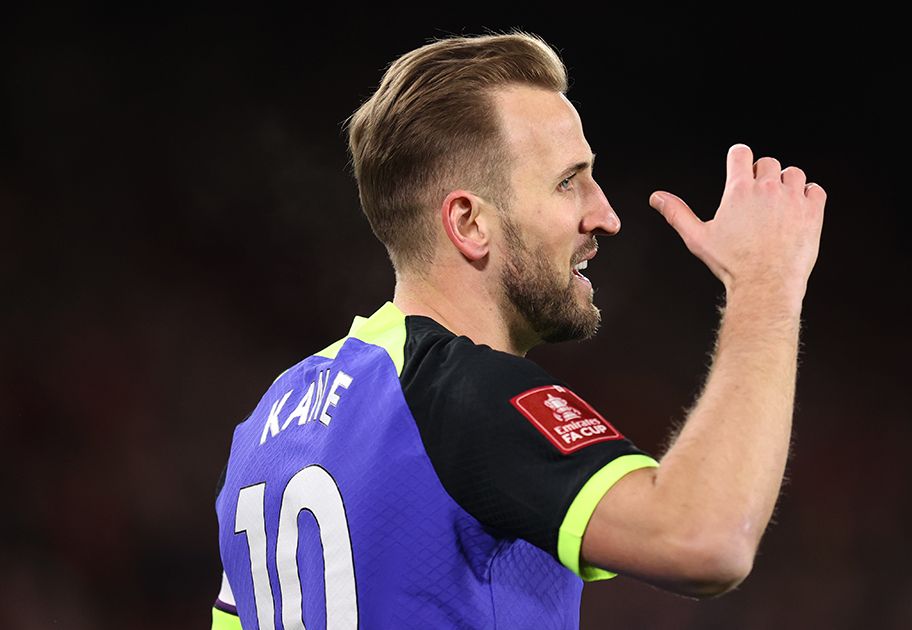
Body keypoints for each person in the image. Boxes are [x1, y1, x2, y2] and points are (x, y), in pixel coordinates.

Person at [210, 29, 825, 629]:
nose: (604, 215)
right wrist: (765, 286)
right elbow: (706, 539)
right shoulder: (460, 394)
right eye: (568, 181)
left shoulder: (265, 428)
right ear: (470, 223)